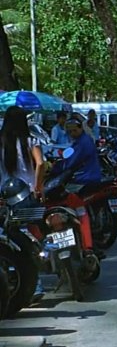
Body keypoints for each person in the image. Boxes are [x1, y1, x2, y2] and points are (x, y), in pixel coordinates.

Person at [0, 106, 46, 302]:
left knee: (8, 239)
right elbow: (41, 163)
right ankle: (37, 283)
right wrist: (38, 187)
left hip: (4, 197)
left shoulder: (1, 142)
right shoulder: (31, 140)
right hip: (26, 196)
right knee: (31, 237)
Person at [50, 119, 102, 186]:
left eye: (74, 130)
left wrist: (54, 168)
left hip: (86, 178)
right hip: (89, 176)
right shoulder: (81, 140)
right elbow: (69, 154)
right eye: (70, 132)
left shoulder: (83, 142)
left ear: (80, 128)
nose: (72, 133)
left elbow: (71, 162)